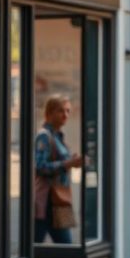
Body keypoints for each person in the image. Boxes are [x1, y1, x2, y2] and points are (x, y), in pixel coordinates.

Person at [34, 95, 82, 244]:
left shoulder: (58, 136)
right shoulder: (44, 136)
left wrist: (73, 161)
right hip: (48, 199)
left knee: (60, 244)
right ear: (50, 113)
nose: (65, 115)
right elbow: (40, 167)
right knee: (62, 246)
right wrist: (68, 163)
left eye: (68, 111)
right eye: (61, 111)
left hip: (60, 200)